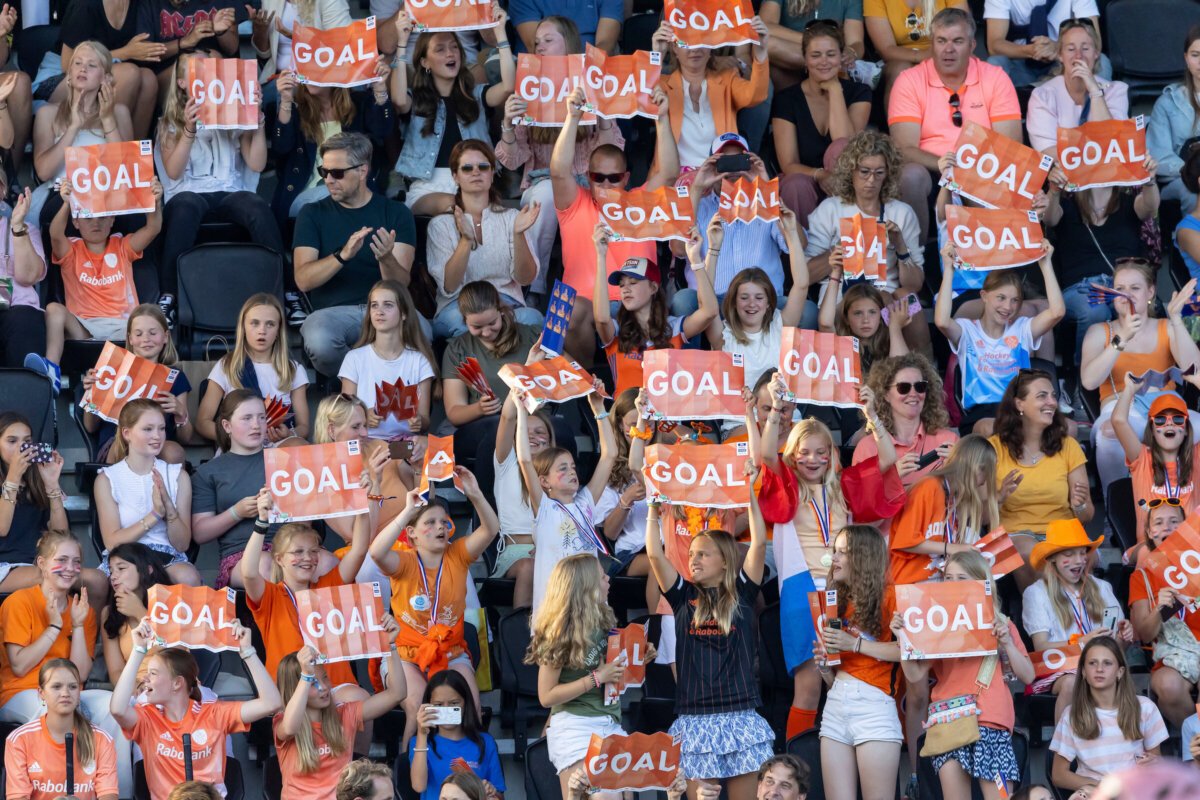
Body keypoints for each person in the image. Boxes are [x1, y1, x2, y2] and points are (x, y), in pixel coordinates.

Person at [646, 460, 773, 800]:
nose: (694, 559)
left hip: (740, 715)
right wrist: (653, 510)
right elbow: (655, 555)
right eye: (692, 553)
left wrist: (750, 492)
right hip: (695, 718)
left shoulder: (743, 593)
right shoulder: (682, 596)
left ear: (726, 560)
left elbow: (759, 545)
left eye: (703, 554)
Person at [368, 470, 500, 744]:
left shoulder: (458, 554)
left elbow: (490, 530)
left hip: (451, 652)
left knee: (470, 707)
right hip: (405, 655)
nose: (440, 527)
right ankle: (409, 768)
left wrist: (475, 495)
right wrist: (407, 511)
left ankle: (470, 767)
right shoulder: (404, 561)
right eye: (430, 522)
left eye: (444, 521)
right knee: (419, 708)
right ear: (412, 534)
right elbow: (376, 552)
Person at [893, 550, 1034, 799]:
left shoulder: (1001, 622)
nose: (953, 584)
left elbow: (1028, 676)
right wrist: (903, 637)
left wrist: (1007, 643)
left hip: (991, 722)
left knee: (1001, 797)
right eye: (948, 578)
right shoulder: (936, 623)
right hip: (950, 723)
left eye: (962, 578)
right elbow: (914, 675)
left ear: (981, 582)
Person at [550, 84, 676, 363]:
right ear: (588, 176)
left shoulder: (640, 200)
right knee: (565, 308)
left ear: (626, 178)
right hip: (584, 307)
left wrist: (662, 119)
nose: (606, 184)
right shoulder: (576, 203)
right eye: (598, 177)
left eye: (614, 178)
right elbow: (558, 172)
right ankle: (584, 380)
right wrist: (572, 118)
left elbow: (668, 173)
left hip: (635, 304)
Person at [497, 17, 624, 292]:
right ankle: (533, 288)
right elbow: (513, 160)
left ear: (569, 44)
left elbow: (613, 153)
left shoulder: (591, 84)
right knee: (546, 194)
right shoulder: (529, 89)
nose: (540, 47)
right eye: (536, 43)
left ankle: (594, 291)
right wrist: (507, 124)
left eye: (548, 40)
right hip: (543, 184)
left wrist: (602, 114)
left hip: (588, 185)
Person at [154, 51, 281, 322]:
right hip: (189, 191)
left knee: (257, 207)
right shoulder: (169, 123)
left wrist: (257, 119)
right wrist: (189, 129)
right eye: (196, 71)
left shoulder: (234, 114)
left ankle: (285, 290)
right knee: (185, 208)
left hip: (229, 190)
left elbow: (257, 163)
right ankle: (169, 295)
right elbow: (174, 171)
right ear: (182, 83)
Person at [0, 530, 127, 797]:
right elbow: (19, 666)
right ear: (42, 563)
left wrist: (78, 625)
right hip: (22, 692)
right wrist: (55, 626)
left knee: (115, 706)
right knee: (49, 707)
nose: (70, 568)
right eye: (62, 560)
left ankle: (117, 793)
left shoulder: (83, 609)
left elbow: (80, 675)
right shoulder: (19, 602)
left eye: (76, 562)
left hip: (69, 690)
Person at [244, 499, 373, 750]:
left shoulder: (328, 585)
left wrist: (360, 504)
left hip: (333, 683)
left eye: (314, 551)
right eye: (298, 552)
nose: (308, 558)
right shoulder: (270, 596)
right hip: (291, 687)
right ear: (279, 559)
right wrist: (261, 522)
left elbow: (359, 550)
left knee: (361, 702)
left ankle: (359, 766)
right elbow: (249, 573)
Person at [888, 8, 1021, 241]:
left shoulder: (995, 77)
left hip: (983, 169)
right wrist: (948, 167)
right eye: (941, 41)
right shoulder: (909, 80)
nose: (948, 49)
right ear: (932, 44)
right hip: (932, 169)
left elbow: (1011, 145)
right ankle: (916, 257)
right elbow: (903, 148)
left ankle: (995, 258)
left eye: (957, 41)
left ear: (972, 45)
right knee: (909, 175)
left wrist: (970, 171)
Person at [109, 620, 282, 799]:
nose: (145, 678)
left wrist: (248, 651)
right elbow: (117, 710)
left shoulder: (213, 714)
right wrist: (138, 650)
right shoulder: (148, 718)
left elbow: (271, 703)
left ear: (177, 683)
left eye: (153, 673)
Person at [294, 131, 419, 378]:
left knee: (423, 334)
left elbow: (401, 284)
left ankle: (365, 383)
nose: (328, 180)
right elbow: (303, 280)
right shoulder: (312, 213)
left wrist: (386, 258)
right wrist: (342, 256)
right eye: (324, 172)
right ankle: (363, 381)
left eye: (337, 173)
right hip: (333, 312)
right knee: (319, 340)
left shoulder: (396, 213)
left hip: (388, 308)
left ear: (362, 171)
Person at [24, 179, 162, 396]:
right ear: (76, 222)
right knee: (53, 309)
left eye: (103, 217)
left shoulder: (123, 246)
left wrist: (155, 201)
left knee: (149, 318)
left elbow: (153, 228)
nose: (96, 223)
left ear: (112, 220)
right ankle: (51, 370)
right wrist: (66, 203)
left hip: (124, 326)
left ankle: (148, 384)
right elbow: (55, 234)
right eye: (88, 217)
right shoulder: (71, 250)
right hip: (84, 328)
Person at [1080, 260, 1200, 490]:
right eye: (1120, 288)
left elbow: (1195, 369)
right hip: (1121, 405)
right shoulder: (1099, 331)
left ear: (1150, 292)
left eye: (1135, 288)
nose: (1126, 295)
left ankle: (1190, 502)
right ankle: (1115, 502)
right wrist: (1121, 338)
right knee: (1109, 435)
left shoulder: (1166, 326)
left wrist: (1176, 320)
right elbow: (1089, 381)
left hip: (1168, 404)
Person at [390, 8, 515, 216]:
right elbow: (398, 99)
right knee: (455, 204)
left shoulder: (476, 95)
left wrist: (500, 32)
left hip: (474, 184)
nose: (450, 53)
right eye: (440, 49)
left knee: (475, 207)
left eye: (454, 47)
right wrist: (402, 43)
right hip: (428, 188)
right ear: (425, 62)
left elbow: (508, 86)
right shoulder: (416, 99)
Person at [936, 244, 1065, 435]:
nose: (1008, 307)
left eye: (1015, 300)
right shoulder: (967, 330)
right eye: (1001, 298)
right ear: (984, 296)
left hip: (1019, 409)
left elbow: (1057, 312)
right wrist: (948, 269)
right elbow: (942, 321)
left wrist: (1045, 265)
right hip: (981, 413)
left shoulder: (1022, 328)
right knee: (992, 428)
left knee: (1068, 428)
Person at [525, 554, 626, 796]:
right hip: (575, 726)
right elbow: (546, 696)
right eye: (601, 576)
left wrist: (639, 656)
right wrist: (596, 678)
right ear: (586, 587)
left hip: (610, 721)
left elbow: (613, 672)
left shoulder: (604, 620)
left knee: (620, 795)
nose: (608, 578)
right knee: (603, 795)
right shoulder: (558, 632)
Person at [814, 525, 902, 800]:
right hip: (835, 704)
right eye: (835, 551)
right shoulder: (836, 601)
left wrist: (855, 644)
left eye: (843, 552)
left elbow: (909, 651)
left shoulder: (892, 596)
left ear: (863, 557)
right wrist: (825, 667)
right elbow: (836, 675)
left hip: (874, 707)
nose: (834, 558)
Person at [514, 379, 616, 616]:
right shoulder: (545, 508)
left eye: (572, 467)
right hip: (555, 611)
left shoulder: (585, 503)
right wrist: (521, 411)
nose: (571, 472)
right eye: (562, 469)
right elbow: (525, 460)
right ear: (544, 482)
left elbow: (609, 455)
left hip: (589, 609)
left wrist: (599, 410)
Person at [426, 140, 542, 339]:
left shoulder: (513, 218)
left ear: (492, 173)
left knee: (533, 318)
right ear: (455, 176)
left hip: (506, 305)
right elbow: (449, 286)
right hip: (458, 307)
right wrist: (465, 241)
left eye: (483, 167)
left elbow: (525, 279)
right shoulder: (440, 224)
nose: (476, 172)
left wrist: (518, 234)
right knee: (463, 325)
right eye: (467, 168)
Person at [1043, 168, 1160, 363]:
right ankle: (1086, 372)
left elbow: (1150, 207)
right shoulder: (1067, 205)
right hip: (1080, 288)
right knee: (1095, 310)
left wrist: (1149, 180)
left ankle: (1137, 366)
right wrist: (1054, 190)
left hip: (1120, 286)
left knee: (1138, 304)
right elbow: (1049, 218)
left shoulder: (1129, 203)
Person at [1024, 519, 1134, 721]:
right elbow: (1041, 648)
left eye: (1082, 553)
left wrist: (1124, 637)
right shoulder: (1036, 593)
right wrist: (1081, 643)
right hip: (1059, 668)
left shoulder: (1102, 587)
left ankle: (1114, 737)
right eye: (1069, 554)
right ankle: (1063, 741)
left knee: (1111, 674)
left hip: (1099, 665)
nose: (1079, 561)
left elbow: (1118, 649)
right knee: (1072, 682)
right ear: (1052, 558)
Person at [270, 66, 395, 242]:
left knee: (387, 211)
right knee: (336, 198)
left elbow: (383, 130)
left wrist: (380, 89)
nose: (310, 75)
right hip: (306, 195)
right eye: (306, 67)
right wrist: (285, 101)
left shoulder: (359, 104)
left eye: (316, 67)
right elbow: (281, 148)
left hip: (353, 193)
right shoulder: (297, 111)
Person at [593, 224, 718, 398]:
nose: (625, 289)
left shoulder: (673, 327)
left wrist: (696, 260)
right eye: (621, 285)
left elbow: (710, 312)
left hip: (666, 413)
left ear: (653, 288)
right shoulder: (617, 330)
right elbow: (601, 319)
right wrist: (601, 256)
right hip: (627, 413)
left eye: (633, 283)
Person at [275, 635, 405, 800]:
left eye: (325, 678)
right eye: (313, 683)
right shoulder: (281, 721)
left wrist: (390, 645)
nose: (324, 687)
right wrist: (306, 676)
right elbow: (290, 728)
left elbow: (397, 694)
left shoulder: (344, 713)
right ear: (296, 687)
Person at [803, 130, 925, 307]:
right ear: (851, 171)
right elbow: (805, 277)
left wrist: (900, 246)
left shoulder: (902, 213)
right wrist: (837, 253)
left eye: (879, 173)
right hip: (841, 298)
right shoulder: (830, 209)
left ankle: (897, 325)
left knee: (909, 299)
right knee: (880, 299)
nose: (871, 180)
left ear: (888, 174)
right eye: (864, 172)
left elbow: (915, 285)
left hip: (886, 295)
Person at [989, 371, 1091, 577]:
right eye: (1042, 396)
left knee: (1084, 557)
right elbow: (979, 516)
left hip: (1062, 532)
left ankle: (1071, 600)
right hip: (1014, 534)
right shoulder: (994, 448)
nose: (1052, 402)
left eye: (1053, 395)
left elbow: (1087, 516)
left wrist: (1079, 505)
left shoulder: (1068, 446)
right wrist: (999, 497)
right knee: (1032, 555)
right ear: (1019, 404)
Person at [772, 20, 871, 226]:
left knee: (841, 147)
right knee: (796, 184)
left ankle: (848, 237)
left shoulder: (859, 93)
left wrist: (835, 90)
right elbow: (788, 164)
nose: (824, 61)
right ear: (805, 59)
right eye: (816, 55)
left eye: (831, 54)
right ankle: (800, 245)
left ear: (841, 57)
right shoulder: (787, 99)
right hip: (804, 180)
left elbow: (846, 146)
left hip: (846, 182)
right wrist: (819, 175)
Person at [30, 41, 133, 235]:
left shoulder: (119, 112)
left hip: (108, 195)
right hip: (63, 195)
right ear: (69, 74)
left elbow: (127, 170)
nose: (83, 68)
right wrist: (73, 127)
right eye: (77, 63)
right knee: (69, 208)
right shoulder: (48, 113)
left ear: (106, 78)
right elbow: (43, 172)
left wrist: (108, 120)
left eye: (92, 65)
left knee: (134, 215)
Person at [682, 140, 803, 303]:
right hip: (710, 301)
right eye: (725, 162)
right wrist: (697, 187)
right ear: (712, 165)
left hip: (763, 301)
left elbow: (799, 244)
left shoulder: (766, 202)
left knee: (807, 311)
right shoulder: (699, 205)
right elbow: (678, 249)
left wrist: (766, 188)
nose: (733, 169)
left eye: (739, 161)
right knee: (683, 301)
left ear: (751, 164)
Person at [94, 399, 200, 585]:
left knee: (188, 576)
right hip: (126, 557)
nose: (157, 436)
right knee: (122, 577)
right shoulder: (107, 479)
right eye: (148, 429)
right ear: (127, 433)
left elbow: (182, 544)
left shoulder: (177, 476)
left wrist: (169, 510)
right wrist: (155, 515)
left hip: (167, 559)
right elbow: (112, 543)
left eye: (161, 428)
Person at [1049, 636, 1168, 794]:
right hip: (1094, 793)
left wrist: (1155, 764)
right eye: (1092, 663)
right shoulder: (1071, 715)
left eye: (1107, 663)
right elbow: (1059, 775)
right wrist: (1103, 786)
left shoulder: (1145, 707)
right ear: (1083, 672)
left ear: (1120, 672)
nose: (1099, 669)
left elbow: (1155, 762)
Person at [651, 16, 770, 170]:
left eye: (701, 41)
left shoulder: (727, 79)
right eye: (685, 42)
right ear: (674, 48)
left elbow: (756, 95)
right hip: (675, 178)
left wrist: (761, 52)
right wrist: (657, 56)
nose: (694, 49)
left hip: (720, 174)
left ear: (710, 48)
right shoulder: (661, 84)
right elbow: (642, 97)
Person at [80, 304, 194, 463]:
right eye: (139, 334)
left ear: (165, 337)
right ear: (130, 339)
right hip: (117, 443)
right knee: (124, 447)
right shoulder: (112, 370)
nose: (146, 339)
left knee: (174, 452)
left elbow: (186, 439)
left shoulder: (175, 377)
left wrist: (181, 413)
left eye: (153, 333)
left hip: (157, 443)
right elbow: (90, 427)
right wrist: (93, 394)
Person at [442, 281, 541, 463]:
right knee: (497, 430)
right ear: (464, 321)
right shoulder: (458, 349)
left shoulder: (532, 336)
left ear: (501, 311)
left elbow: (568, 368)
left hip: (534, 418)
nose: (487, 332)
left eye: (492, 323)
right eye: (477, 327)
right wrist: (478, 409)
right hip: (486, 424)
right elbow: (454, 412)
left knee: (558, 431)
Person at [195, 293, 309, 446]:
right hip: (238, 446)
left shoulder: (293, 370)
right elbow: (202, 422)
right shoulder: (227, 366)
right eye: (254, 323)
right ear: (243, 327)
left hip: (278, 446)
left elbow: (304, 427)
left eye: (270, 324)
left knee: (299, 445)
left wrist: (289, 433)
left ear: (278, 331)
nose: (262, 330)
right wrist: (234, 435)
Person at [887, 434, 999, 585]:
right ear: (976, 468)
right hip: (910, 587)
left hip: (940, 584)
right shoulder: (929, 487)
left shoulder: (955, 496)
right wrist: (952, 548)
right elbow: (905, 541)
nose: (985, 481)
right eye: (987, 473)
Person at [3, 659, 119, 800]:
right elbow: (17, 797)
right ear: (41, 693)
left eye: (72, 687)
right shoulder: (19, 739)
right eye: (56, 687)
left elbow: (108, 795)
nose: (65, 693)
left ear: (79, 692)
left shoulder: (102, 739)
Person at [1111, 379, 1200, 560]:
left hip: (1191, 545)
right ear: (1152, 429)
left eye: (1177, 419)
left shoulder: (1195, 457)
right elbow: (1118, 421)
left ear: (1186, 430)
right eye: (1160, 420)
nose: (1169, 424)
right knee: (1149, 552)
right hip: (1149, 545)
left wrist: (1198, 382)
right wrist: (1129, 389)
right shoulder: (1142, 458)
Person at [339, 280, 438, 439]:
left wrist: (419, 421)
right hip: (366, 441)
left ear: (404, 313)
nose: (379, 311)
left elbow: (425, 420)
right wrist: (364, 415)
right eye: (374, 305)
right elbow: (345, 414)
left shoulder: (419, 360)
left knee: (427, 445)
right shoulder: (354, 358)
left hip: (405, 442)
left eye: (388, 305)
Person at [703, 249, 811, 393]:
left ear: (768, 303)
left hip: (777, 406)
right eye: (744, 298)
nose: (752, 304)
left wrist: (792, 236)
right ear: (734, 302)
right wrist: (713, 250)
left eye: (759, 298)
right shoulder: (723, 335)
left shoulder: (780, 325)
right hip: (739, 408)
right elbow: (705, 299)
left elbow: (801, 286)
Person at [1129, 519, 1200, 729]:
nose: (1167, 527)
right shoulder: (1142, 577)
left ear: (1185, 530)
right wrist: (1160, 609)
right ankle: (1195, 741)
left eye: (1174, 522)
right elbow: (1145, 635)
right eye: (1158, 523)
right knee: (1168, 687)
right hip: (1171, 655)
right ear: (1150, 533)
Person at [55, 0, 157, 139]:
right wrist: (125, 52)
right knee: (129, 73)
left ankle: (133, 149)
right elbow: (67, 63)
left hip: (106, 69)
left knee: (149, 79)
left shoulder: (139, 4)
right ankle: (105, 141)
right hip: (64, 74)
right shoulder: (85, 5)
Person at [1025, 18, 1127, 155]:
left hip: (1105, 168)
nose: (1079, 56)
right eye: (1071, 49)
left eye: (1085, 48)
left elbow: (1112, 143)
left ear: (1096, 53)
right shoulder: (1043, 96)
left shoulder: (1116, 91)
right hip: (1063, 168)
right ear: (1060, 55)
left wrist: (1095, 91)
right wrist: (1086, 160)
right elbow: (1046, 150)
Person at [855, 354, 956, 488]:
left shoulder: (948, 440)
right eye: (903, 387)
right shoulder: (868, 447)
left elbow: (969, 493)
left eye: (920, 386)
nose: (913, 394)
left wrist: (958, 470)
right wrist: (892, 477)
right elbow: (861, 496)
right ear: (885, 394)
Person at [409, 669, 505, 800]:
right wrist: (422, 733)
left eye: (454, 703)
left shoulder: (485, 741)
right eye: (438, 705)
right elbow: (419, 786)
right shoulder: (420, 742)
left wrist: (490, 791)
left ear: (466, 703)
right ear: (428, 706)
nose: (446, 709)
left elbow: (500, 795)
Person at [0, 413, 69, 593]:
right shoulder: (12, 479)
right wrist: (13, 477)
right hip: (4, 565)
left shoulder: (36, 480)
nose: (21, 448)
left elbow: (61, 535)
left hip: (36, 562)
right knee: (50, 575)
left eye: (27, 441)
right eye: (12, 441)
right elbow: (2, 528)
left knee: (96, 580)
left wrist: (52, 485)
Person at [865, 0, 969, 105]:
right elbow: (886, 50)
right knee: (900, 71)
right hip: (900, 59)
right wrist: (924, 56)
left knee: (961, 63)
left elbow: (963, 31)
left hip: (943, 51)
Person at [99, 542, 175, 685]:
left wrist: (140, 613)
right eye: (111, 571)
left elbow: (178, 653)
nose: (113, 576)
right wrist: (136, 689)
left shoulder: (171, 602)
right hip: (136, 689)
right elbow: (116, 671)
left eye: (121, 568)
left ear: (148, 569)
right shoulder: (109, 613)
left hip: (173, 685)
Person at [983, 0, 1105, 88]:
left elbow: (1095, 42)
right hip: (1020, 62)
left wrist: (1058, 48)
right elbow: (994, 45)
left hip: (1065, 63)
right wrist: (1031, 50)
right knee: (995, 62)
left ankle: (1095, 112)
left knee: (1101, 61)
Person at [1149, 25, 1200, 210]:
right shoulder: (1168, 102)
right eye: (1195, 55)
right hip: (1180, 179)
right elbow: (1158, 156)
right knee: (1193, 193)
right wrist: (1193, 173)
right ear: (1186, 58)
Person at [760, 1, 865, 90]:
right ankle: (830, 66)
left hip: (834, 59)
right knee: (765, 44)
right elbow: (766, 25)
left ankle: (831, 69)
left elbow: (856, 42)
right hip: (791, 58)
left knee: (839, 61)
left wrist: (852, 52)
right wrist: (815, 42)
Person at [0, 186, 48, 368]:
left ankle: (26, 383)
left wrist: (18, 227)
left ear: (2, 191)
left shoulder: (27, 229)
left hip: (18, 310)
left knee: (24, 321)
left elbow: (28, 276)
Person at [509, 0, 621, 52]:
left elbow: (606, 43)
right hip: (542, 71)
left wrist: (585, 71)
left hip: (592, 68)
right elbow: (536, 44)